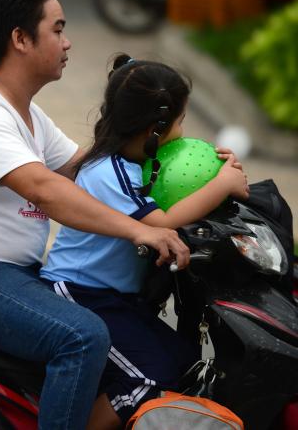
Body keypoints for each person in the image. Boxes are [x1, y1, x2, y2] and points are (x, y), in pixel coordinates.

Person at [0, 0, 190, 430]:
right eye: (57, 29)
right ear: (20, 39)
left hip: (13, 274)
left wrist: (195, 181)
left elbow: (88, 169)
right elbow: (47, 189)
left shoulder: (28, 114)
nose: (67, 43)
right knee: (83, 336)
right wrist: (140, 228)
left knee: (147, 338)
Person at [40, 53, 249, 429]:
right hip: (80, 293)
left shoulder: (138, 165)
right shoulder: (109, 171)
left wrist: (218, 169)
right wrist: (222, 185)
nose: (184, 133)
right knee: (148, 376)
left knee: (184, 360)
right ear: (155, 129)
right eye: (181, 121)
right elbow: (162, 221)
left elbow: (181, 189)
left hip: (115, 298)